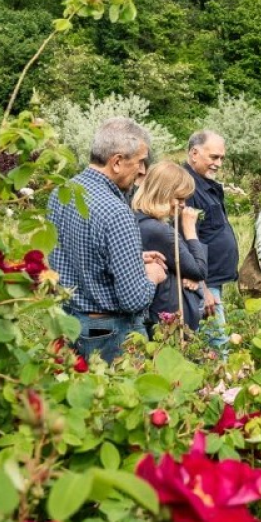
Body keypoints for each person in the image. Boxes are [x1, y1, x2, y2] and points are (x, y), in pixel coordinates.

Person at [48, 118, 167, 363]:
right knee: (123, 397)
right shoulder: (116, 211)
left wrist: (132, 259)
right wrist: (151, 275)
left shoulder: (63, 192)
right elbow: (133, 299)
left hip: (69, 321)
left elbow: (74, 253)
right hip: (106, 330)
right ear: (117, 162)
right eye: (140, 161)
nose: (143, 170)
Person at [132, 161, 209, 333]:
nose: (183, 204)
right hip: (167, 317)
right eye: (179, 198)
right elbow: (199, 270)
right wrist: (190, 231)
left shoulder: (138, 220)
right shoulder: (159, 231)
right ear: (162, 193)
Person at [183, 131, 237, 347]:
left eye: (222, 158)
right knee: (216, 346)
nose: (219, 163)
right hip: (206, 283)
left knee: (215, 342)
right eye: (214, 157)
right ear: (194, 153)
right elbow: (186, 240)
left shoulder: (206, 184)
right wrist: (203, 289)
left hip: (214, 281)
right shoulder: (187, 187)